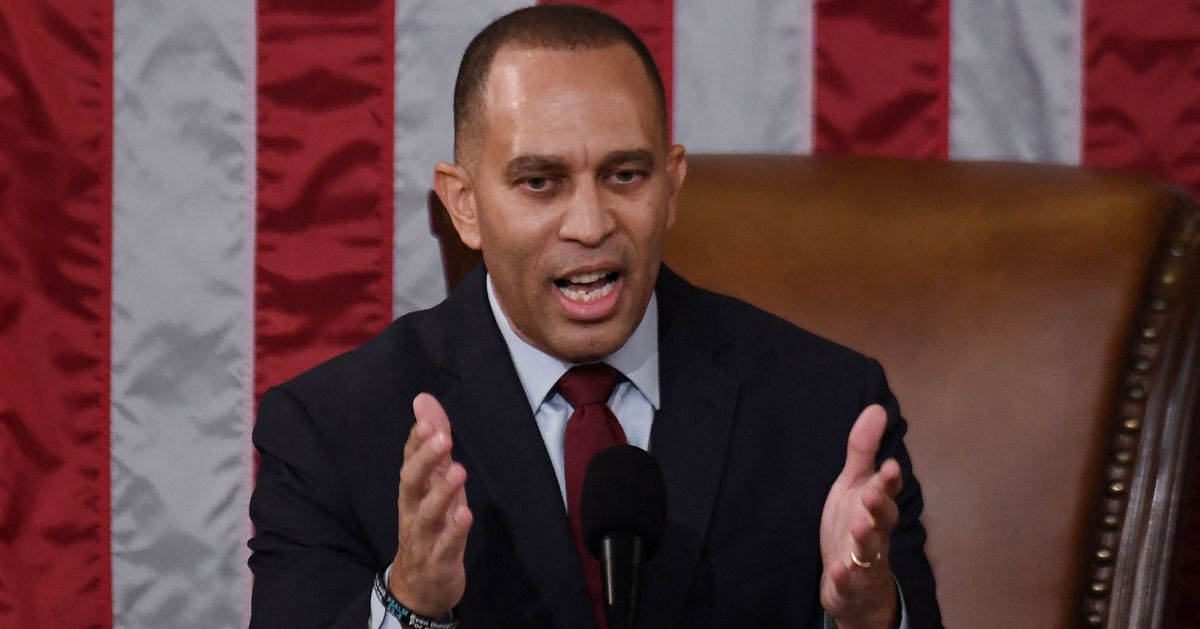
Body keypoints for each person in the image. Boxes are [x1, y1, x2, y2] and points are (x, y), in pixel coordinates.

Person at [248, 5, 941, 629]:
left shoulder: (828, 408)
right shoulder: (331, 431)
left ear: (671, 188)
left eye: (625, 175)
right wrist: (411, 601)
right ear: (464, 204)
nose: (589, 223)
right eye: (540, 182)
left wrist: (867, 616)